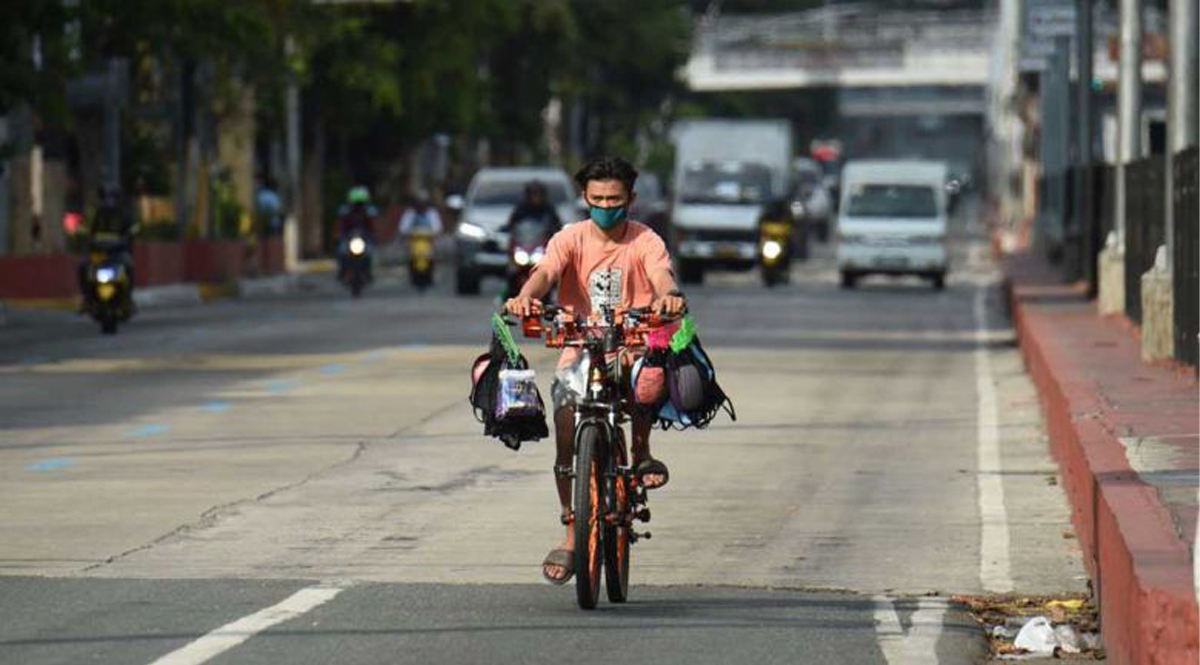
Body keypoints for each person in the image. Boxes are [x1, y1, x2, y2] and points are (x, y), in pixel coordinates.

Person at [504, 156, 687, 585]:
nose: (607, 205)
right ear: (585, 199)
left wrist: (669, 297)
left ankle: (639, 452)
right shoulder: (569, 238)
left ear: (631, 199)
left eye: (615, 199)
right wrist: (525, 297)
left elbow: (662, 276)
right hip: (580, 347)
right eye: (598, 198)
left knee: (648, 380)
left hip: (633, 345)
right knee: (566, 423)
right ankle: (572, 531)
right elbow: (545, 272)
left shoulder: (646, 241)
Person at [337, 186, 376, 279]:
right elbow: (341, 226)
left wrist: (373, 235)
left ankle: (368, 272)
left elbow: (371, 227)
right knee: (341, 251)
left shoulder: (368, 213)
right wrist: (339, 235)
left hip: (364, 239)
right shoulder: (346, 212)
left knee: (370, 252)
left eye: (360, 203)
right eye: (356, 203)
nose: (358, 206)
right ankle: (342, 271)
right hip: (349, 238)